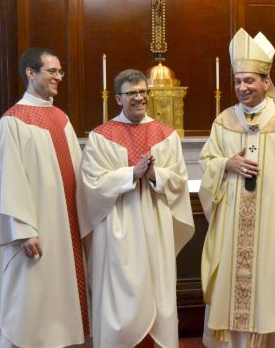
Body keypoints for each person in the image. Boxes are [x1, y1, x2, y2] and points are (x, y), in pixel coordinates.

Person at [199, 28, 275, 348]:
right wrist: (226, 164)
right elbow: (208, 161)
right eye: (238, 81)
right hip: (232, 228)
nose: (242, 87)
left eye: (250, 80)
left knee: (269, 290)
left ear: (266, 83)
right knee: (230, 289)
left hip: (271, 230)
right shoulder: (223, 121)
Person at [0, 47, 89, 347]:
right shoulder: (12, 121)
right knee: (31, 299)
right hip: (35, 228)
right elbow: (7, 181)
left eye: (60, 71)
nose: (58, 77)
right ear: (31, 73)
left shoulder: (60, 117)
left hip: (67, 226)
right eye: (52, 71)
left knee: (61, 296)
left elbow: (79, 172)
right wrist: (22, 230)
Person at [79, 69, 194, 348]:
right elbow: (91, 185)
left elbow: (179, 179)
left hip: (155, 223)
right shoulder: (100, 136)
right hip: (118, 225)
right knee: (120, 292)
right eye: (132, 93)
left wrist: (155, 175)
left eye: (144, 92)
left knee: (158, 288)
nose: (140, 98)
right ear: (118, 98)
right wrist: (132, 173)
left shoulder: (166, 135)